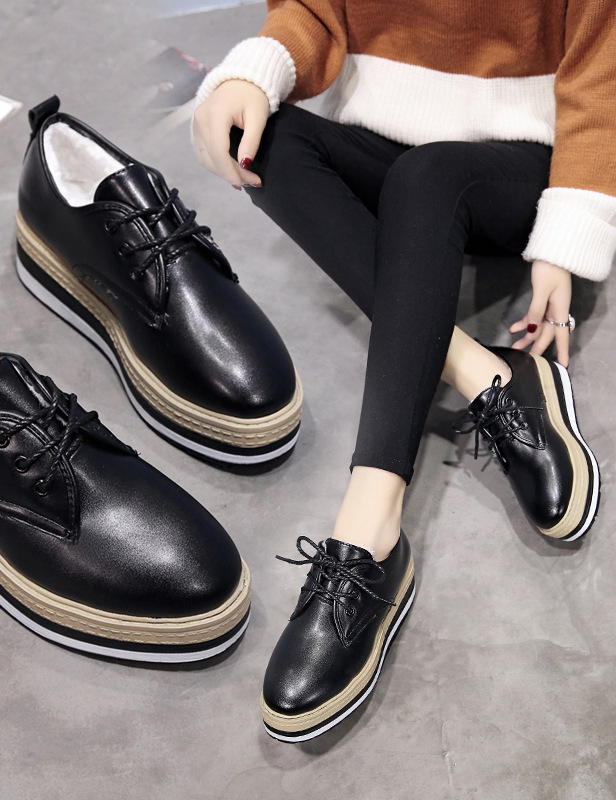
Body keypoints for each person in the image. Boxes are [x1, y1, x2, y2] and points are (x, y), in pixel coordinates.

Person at [192, 0, 610, 742]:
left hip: (519, 160)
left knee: (431, 173)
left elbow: (602, 65)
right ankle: (485, 374)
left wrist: (565, 240)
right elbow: (312, 11)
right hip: (382, 149)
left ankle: (369, 529)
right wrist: (252, 76)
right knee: (263, 141)